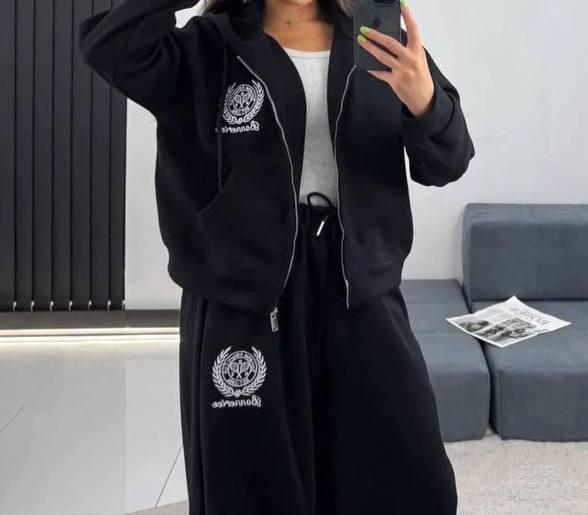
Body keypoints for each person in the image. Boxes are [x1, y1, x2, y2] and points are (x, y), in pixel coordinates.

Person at [78, 0, 475, 513]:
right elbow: (108, 45)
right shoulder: (205, 49)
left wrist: (425, 103)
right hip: (242, 305)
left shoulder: (376, 41)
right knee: (252, 487)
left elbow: (449, 159)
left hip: (359, 292)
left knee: (410, 479)